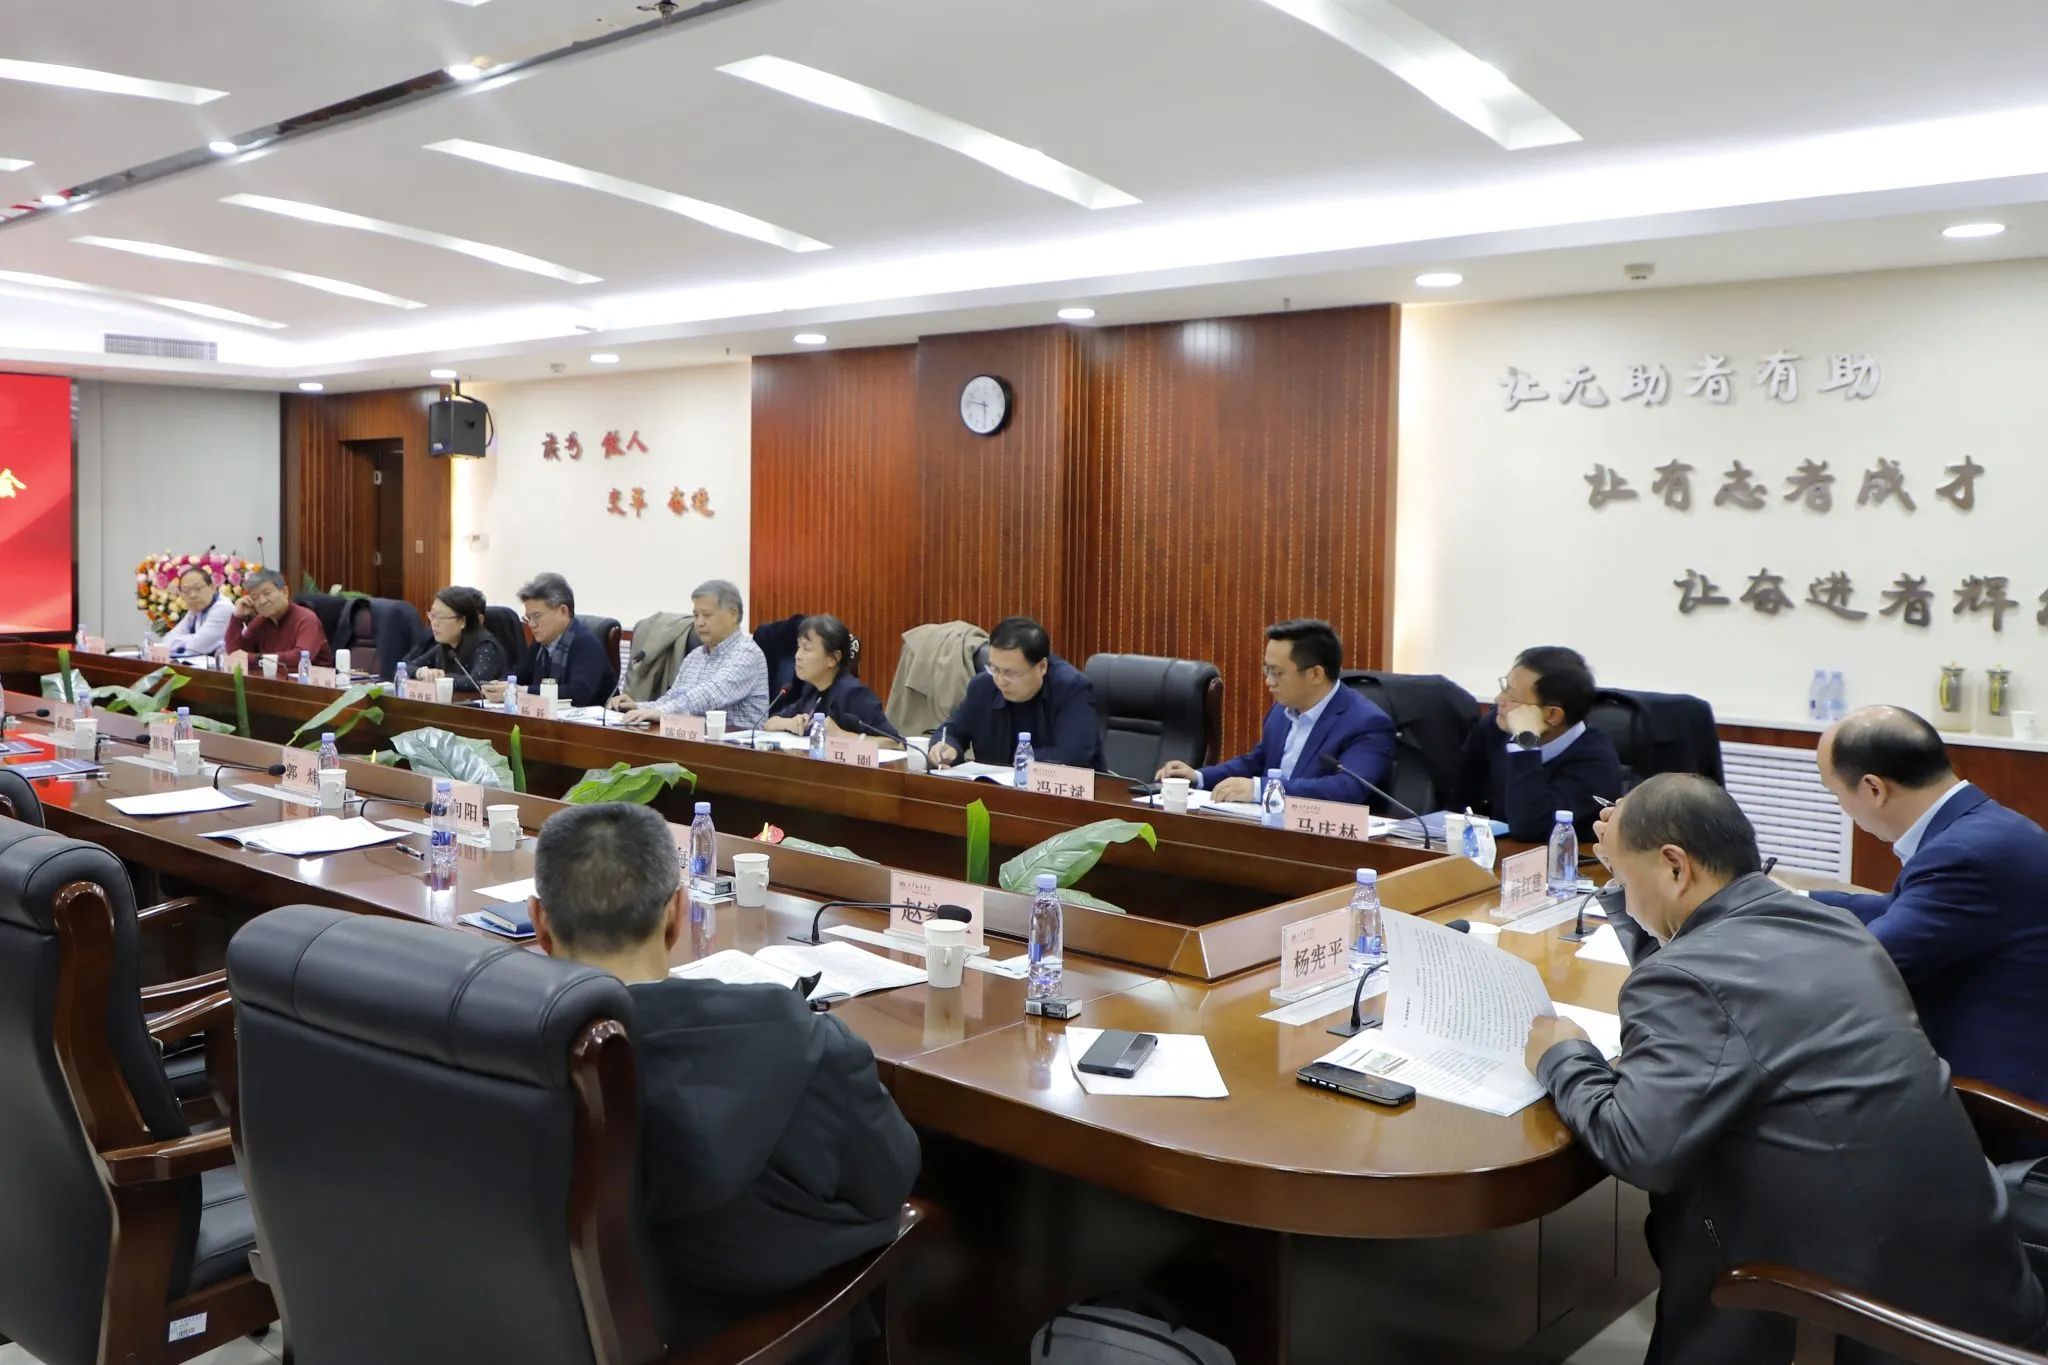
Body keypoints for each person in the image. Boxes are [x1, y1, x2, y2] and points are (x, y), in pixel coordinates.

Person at [1526, 774, 2046, 1364]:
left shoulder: (1689, 980)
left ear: (1675, 866)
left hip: (1878, 1326)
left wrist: (1561, 1054)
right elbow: (1700, 966)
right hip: (1984, 1285)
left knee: (1686, 1196)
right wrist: (1629, 879)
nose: (1621, 884)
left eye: (1623, 875)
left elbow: (1638, 1147)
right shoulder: (1836, 928)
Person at [528, 804, 919, 1360]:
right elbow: (888, 1181)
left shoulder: (495, 1045)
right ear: (676, 913)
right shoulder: (803, 1046)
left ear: (539, 922)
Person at [1808, 706, 2048, 1106]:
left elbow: (1864, 966)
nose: (1841, 808)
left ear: (1873, 789)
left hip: (2000, 1100)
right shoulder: (1990, 827)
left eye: (1837, 795)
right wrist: (1792, 900)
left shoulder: (1964, 854)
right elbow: (1900, 909)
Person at [1158, 619, 1391, 804]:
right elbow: (1258, 762)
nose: (1268, 682)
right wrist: (1199, 777)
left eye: (1277, 673)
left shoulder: (1366, 722)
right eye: (1266, 670)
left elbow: (1347, 789)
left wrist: (1263, 790)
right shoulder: (1282, 711)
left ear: (1316, 674)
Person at [1458, 645, 1623, 841]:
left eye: (1512, 697)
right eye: (1504, 688)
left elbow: (1531, 828)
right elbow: (1462, 799)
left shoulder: (1596, 764)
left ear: (1552, 715)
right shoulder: (1495, 727)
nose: (1499, 700)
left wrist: (1526, 745)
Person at [928, 616, 1100, 770]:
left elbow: (1071, 755)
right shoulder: (983, 686)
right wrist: (947, 746)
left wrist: (1016, 768)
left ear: (1042, 667)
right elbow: (952, 730)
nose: (1000, 681)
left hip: (1059, 793)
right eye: (994, 668)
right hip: (994, 792)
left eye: (1010, 673)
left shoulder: (1073, 690)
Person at [616, 579, 770, 728]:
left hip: (737, 743)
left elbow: (711, 694)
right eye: (696, 615)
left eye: (707, 615)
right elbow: (672, 699)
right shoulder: (695, 656)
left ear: (733, 615)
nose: (699, 623)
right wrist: (637, 707)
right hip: (697, 739)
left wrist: (661, 712)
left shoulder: (747, 653)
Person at [485, 572, 616, 709]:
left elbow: (578, 693)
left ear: (563, 612)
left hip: (589, 720)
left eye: (537, 616)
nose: (531, 624)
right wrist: (498, 686)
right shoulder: (540, 644)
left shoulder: (587, 644)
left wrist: (523, 691)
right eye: (528, 618)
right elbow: (518, 674)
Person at [760, 614, 899, 741]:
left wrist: (842, 735)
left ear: (833, 658)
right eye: (798, 647)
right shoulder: (812, 690)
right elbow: (768, 723)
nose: (798, 656)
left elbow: (895, 742)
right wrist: (789, 723)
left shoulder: (854, 694)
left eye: (806, 649)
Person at [401, 585, 508, 693]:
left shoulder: (486, 646)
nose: (434, 623)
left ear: (462, 621)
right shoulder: (447, 645)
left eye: (441, 617)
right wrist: (421, 672)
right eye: (432, 615)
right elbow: (403, 668)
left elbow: (475, 682)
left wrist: (441, 678)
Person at [223, 568, 331, 667]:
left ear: (285, 592)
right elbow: (236, 655)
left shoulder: (307, 619)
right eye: (255, 598)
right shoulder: (260, 622)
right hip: (273, 679)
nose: (262, 601)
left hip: (315, 680)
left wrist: (257, 659)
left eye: (267, 593)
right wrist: (237, 617)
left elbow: (301, 657)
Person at [160, 565, 234, 657]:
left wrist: (186, 640)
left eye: (198, 588)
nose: (192, 595)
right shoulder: (196, 610)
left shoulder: (223, 608)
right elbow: (166, 643)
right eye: (186, 591)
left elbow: (198, 647)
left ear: (212, 587)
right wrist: (193, 638)